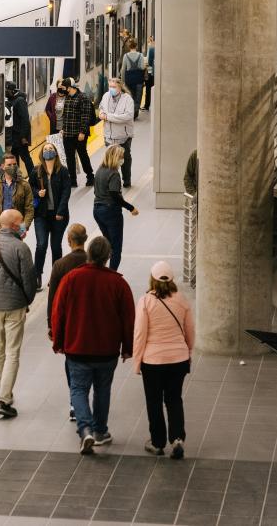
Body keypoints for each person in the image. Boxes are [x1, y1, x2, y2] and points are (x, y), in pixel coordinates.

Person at [52, 237, 135, 454]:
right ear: (108, 257)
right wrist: (128, 347)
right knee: (102, 389)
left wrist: (59, 342)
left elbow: (58, 314)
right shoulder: (118, 283)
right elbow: (128, 318)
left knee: (78, 389)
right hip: (107, 350)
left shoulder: (71, 279)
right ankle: (100, 431)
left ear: (89, 254)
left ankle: (85, 429)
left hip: (77, 347)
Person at [133, 262, 195, 459]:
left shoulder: (145, 301)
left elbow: (140, 334)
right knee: (174, 399)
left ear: (152, 279)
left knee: (154, 401)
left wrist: (137, 361)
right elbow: (190, 331)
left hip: (152, 361)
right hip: (178, 359)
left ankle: (157, 442)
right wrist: (188, 352)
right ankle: (177, 438)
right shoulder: (182, 300)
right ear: (172, 280)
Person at [0, 209, 37, 418]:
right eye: (21, 222)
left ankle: (5, 391)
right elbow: (29, 280)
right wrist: (27, 300)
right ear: (14, 226)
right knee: (13, 352)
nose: (24, 226)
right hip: (15, 305)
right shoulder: (21, 248)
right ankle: (4, 398)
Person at [46, 223, 89, 422]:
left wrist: (51, 325)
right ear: (85, 239)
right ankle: (85, 399)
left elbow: (53, 298)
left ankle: (75, 401)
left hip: (69, 322)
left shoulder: (60, 265)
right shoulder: (93, 261)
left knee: (71, 362)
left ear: (68, 241)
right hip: (90, 319)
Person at [93, 144, 139, 271]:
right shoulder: (113, 173)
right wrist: (131, 208)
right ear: (115, 157)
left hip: (97, 210)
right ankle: (112, 274)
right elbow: (115, 195)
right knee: (116, 247)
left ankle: (100, 270)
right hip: (110, 212)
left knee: (107, 244)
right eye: (121, 157)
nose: (122, 159)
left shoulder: (99, 170)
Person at [31, 142, 71, 290]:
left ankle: (56, 276)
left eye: (51, 149)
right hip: (41, 215)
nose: (48, 151)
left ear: (55, 153)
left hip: (59, 216)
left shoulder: (63, 171)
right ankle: (37, 275)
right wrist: (37, 193)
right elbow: (31, 187)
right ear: (42, 153)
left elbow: (66, 193)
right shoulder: (37, 171)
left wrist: (60, 212)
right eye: (46, 149)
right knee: (41, 245)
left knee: (55, 246)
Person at [98, 77, 135, 188]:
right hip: (108, 136)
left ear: (120, 87)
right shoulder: (105, 96)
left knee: (124, 159)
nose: (111, 89)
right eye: (110, 86)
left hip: (123, 136)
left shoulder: (127, 99)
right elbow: (101, 107)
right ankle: (112, 181)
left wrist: (108, 117)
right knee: (110, 160)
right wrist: (101, 114)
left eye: (114, 87)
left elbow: (127, 116)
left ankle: (126, 179)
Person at [0, 152, 34, 232]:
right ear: (2, 166)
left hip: (17, 227)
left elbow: (29, 208)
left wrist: (24, 226)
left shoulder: (24, 185)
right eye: (9, 165)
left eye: (14, 164)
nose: (12, 167)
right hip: (0, 227)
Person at [60, 78, 95, 188]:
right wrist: (63, 128)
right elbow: (65, 115)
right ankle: (72, 180)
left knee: (82, 155)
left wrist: (83, 132)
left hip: (79, 134)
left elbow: (85, 116)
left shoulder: (83, 98)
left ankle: (90, 176)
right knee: (69, 157)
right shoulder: (67, 97)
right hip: (68, 133)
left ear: (70, 88)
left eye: (64, 88)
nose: (63, 91)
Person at [5, 80, 34, 177]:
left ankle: (33, 177)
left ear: (12, 90)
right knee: (14, 159)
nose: (5, 93)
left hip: (20, 137)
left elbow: (25, 120)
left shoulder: (20, 101)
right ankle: (16, 177)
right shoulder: (11, 100)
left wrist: (23, 137)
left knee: (26, 158)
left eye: (6, 90)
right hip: (13, 137)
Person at [120, 39, 147, 120]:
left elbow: (123, 70)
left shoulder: (126, 56)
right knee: (138, 97)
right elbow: (142, 67)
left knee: (130, 97)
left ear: (129, 46)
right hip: (139, 80)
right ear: (136, 46)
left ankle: (130, 113)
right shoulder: (140, 55)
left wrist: (123, 81)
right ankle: (135, 112)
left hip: (129, 80)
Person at [144, 36, 155, 112]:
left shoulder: (151, 49)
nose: (148, 43)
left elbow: (150, 63)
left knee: (148, 89)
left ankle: (147, 105)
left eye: (149, 41)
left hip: (150, 72)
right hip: (154, 73)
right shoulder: (156, 48)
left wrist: (145, 63)